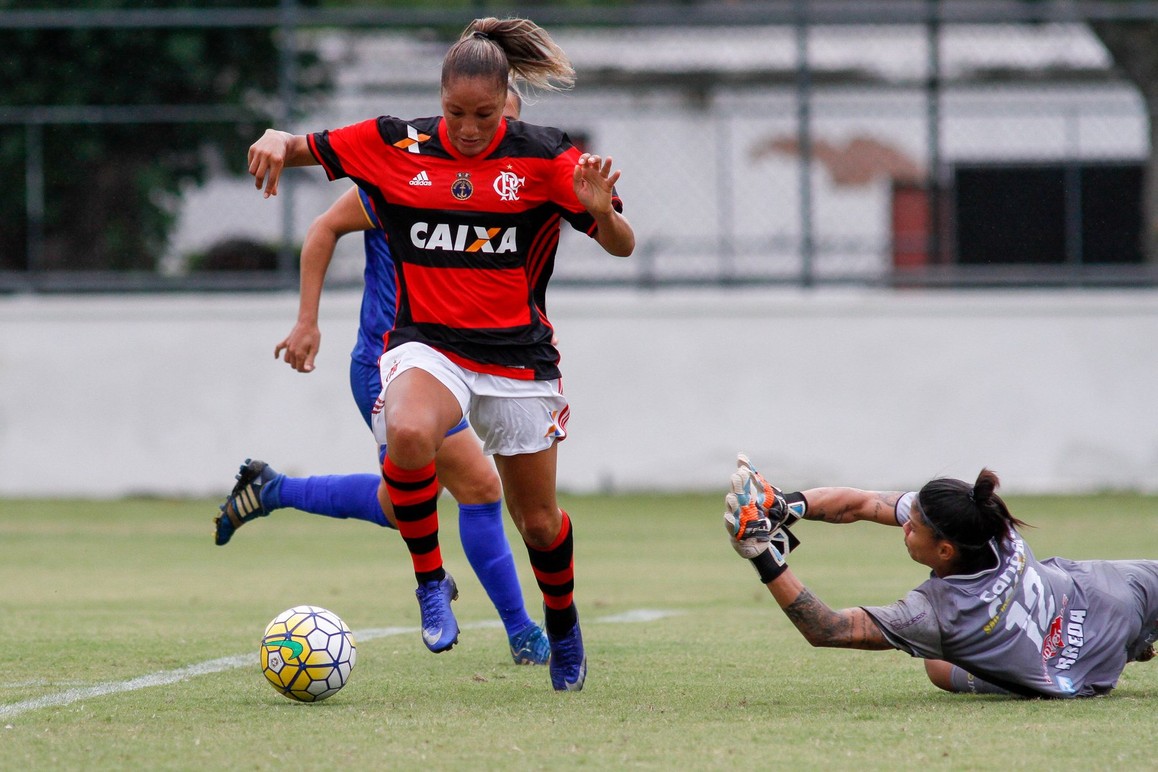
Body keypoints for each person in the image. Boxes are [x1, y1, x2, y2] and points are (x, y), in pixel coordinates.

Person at [245, 16, 635, 691]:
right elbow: (305, 148)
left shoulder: (546, 156)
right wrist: (278, 139)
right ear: (440, 99)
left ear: (507, 101)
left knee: (538, 524)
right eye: (456, 112)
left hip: (517, 358)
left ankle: (564, 625)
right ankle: (430, 581)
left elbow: (622, 245)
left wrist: (602, 213)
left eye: (485, 114)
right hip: (429, 345)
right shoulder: (396, 143)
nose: (470, 127)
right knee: (407, 431)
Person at [214, 92, 552, 666]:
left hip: (454, 366)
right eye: (498, 123)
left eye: (511, 127)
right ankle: (523, 634)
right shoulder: (413, 177)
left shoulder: (510, 188)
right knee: (479, 487)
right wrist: (306, 321)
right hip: (390, 365)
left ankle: (271, 489)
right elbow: (324, 227)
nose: (502, 139)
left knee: (400, 506)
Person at [722, 454, 1158, 698]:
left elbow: (828, 629)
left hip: (1076, 668)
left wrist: (763, 555)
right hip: (1114, 592)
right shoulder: (987, 522)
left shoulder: (939, 615)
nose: (904, 528)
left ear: (945, 550)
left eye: (912, 527)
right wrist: (785, 505)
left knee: (938, 664)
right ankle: (1128, 641)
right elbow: (862, 504)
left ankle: (1122, 647)